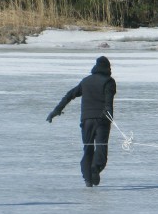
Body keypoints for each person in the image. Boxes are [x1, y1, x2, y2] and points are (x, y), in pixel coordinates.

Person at [46, 55, 116, 187]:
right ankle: (95, 168)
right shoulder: (109, 81)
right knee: (101, 147)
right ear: (107, 67)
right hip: (102, 120)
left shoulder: (86, 81)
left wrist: (56, 111)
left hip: (86, 120)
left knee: (88, 148)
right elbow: (108, 101)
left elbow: (69, 95)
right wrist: (109, 113)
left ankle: (87, 178)